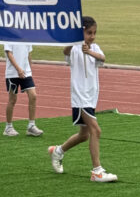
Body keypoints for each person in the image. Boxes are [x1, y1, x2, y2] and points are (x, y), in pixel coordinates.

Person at [47, 16, 117, 183]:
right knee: (96, 130)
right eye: (88, 33)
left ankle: (58, 151)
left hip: (91, 97)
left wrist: (90, 51)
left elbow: (102, 58)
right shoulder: (75, 49)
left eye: (94, 33)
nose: (92, 36)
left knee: (84, 135)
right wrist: (74, 40)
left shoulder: (95, 48)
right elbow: (65, 52)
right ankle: (97, 171)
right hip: (80, 97)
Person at [3, 41, 43, 137]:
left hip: (26, 73)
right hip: (12, 73)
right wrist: (18, 69)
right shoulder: (9, 37)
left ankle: (31, 126)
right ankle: (8, 127)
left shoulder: (27, 37)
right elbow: (9, 54)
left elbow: (29, 54)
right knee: (12, 99)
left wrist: (30, 69)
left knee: (33, 96)